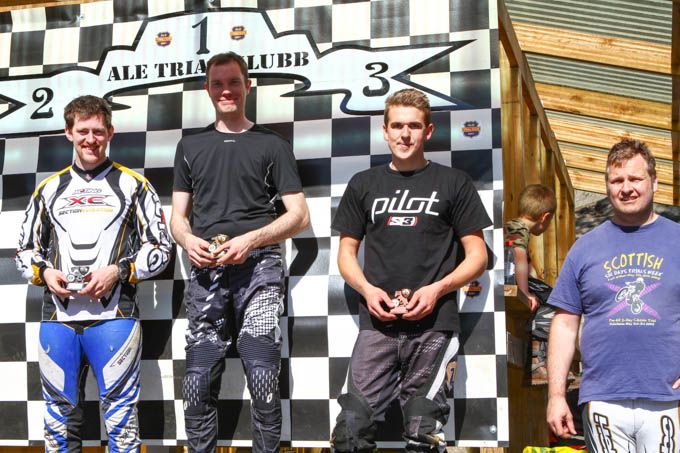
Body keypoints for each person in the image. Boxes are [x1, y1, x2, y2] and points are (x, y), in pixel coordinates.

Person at [330, 88, 491, 452]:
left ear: (428, 131)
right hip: (377, 326)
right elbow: (345, 255)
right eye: (397, 126)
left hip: (434, 326)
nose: (405, 134)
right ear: (385, 131)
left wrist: (437, 289)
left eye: (414, 126)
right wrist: (368, 290)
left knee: (423, 434)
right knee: (349, 434)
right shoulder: (363, 184)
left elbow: (478, 256)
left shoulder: (454, 182)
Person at [16, 95, 172, 452]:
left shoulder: (134, 185)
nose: (91, 139)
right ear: (68, 133)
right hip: (58, 319)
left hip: (115, 317)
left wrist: (119, 271)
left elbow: (161, 248)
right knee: (58, 422)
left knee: (121, 421)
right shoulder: (48, 189)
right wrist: (44, 273)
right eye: (83, 131)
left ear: (110, 133)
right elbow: (24, 250)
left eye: (98, 131)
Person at [171, 51, 310, 452]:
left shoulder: (273, 143)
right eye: (217, 84)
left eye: (233, 82)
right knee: (197, 381)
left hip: (260, 267)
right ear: (207, 89)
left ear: (248, 86)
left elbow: (299, 216)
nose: (226, 90)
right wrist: (188, 240)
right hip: (207, 271)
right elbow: (177, 218)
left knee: (263, 374)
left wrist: (251, 240)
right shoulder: (189, 145)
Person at [546, 139, 680, 451]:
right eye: (617, 180)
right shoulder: (584, 248)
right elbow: (564, 323)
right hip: (603, 399)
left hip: (668, 398)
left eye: (635, 179)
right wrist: (556, 396)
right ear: (607, 186)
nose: (626, 188)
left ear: (654, 182)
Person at [504, 184, 556, 385]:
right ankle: (536, 361)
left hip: (509, 277)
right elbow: (518, 258)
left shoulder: (512, 226)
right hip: (509, 279)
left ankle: (538, 356)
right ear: (545, 217)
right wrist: (525, 293)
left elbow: (527, 264)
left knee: (546, 292)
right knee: (553, 301)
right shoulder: (519, 229)